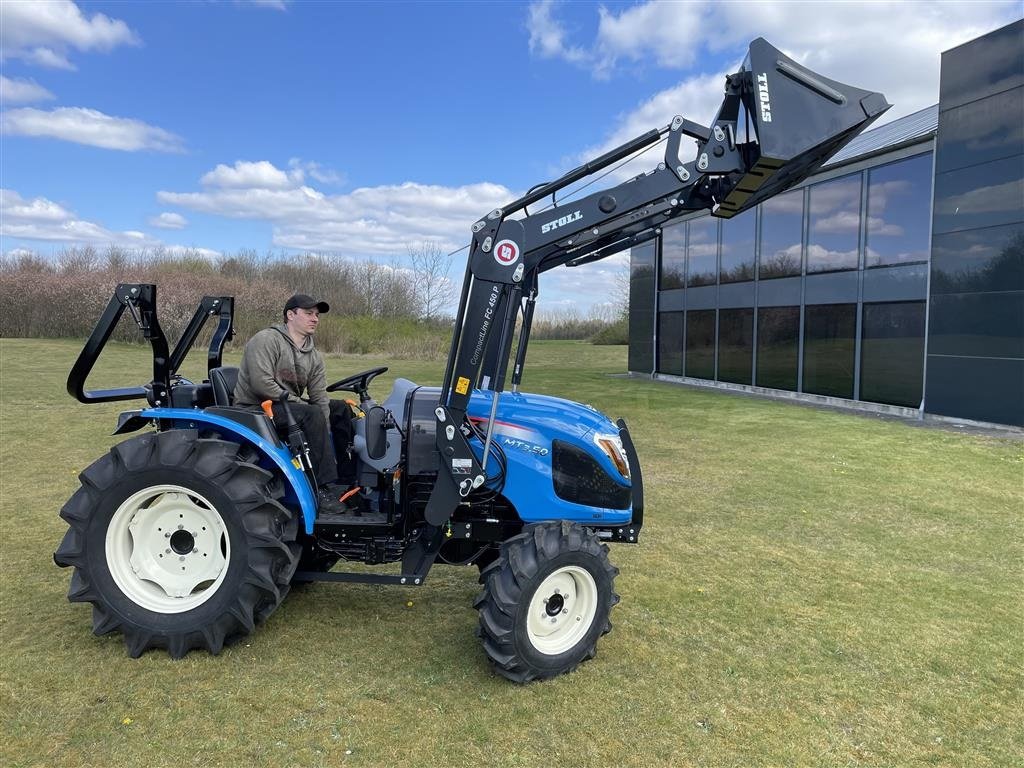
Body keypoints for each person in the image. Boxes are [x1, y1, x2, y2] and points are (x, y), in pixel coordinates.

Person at [233, 293, 354, 512]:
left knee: (340, 409)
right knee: (311, 413)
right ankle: (321, 488)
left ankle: (345, 480)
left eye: (317, 315)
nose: (315, 319)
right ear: (290, 315)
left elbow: (319, 396)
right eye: (309, 313)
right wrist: (305, 407)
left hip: (288, 406)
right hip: (255, 408)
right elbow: (262, 384)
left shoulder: (313, 355)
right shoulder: (266, 340)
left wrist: (325, 427)